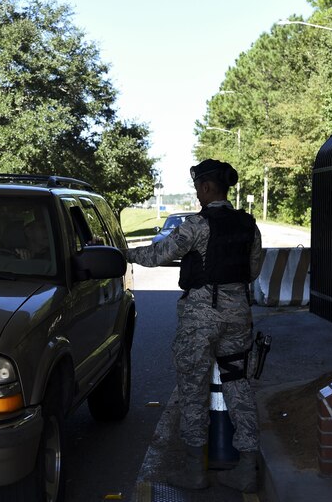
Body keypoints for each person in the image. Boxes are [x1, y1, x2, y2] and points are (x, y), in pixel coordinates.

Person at [125, 159, 262, 492]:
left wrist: (126, 254)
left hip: (201, 318)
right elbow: (254, 268)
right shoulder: (248, 224)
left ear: (206, 187)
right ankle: (246, 470)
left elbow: (159, 255)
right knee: (238, 387)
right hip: (238, 315)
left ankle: (195, 472)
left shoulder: (197, 225)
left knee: (193, 391)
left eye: (198, 188)